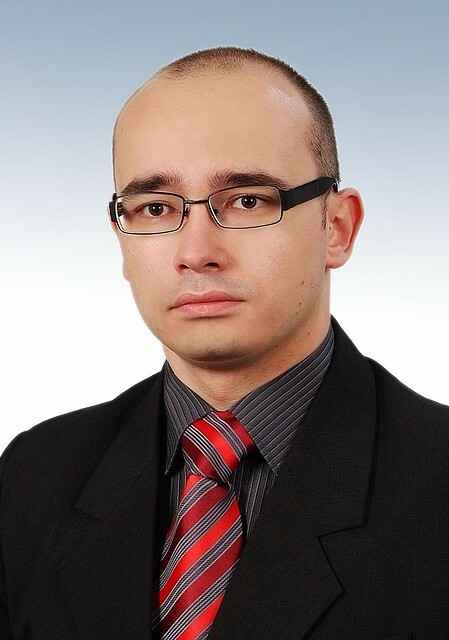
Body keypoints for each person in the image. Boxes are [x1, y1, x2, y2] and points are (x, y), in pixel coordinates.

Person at [1, 46, 448, 640]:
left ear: (337, 228)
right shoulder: (34, 475)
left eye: (247, 200)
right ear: (122, 239)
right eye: (155, 208)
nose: (195, 253)